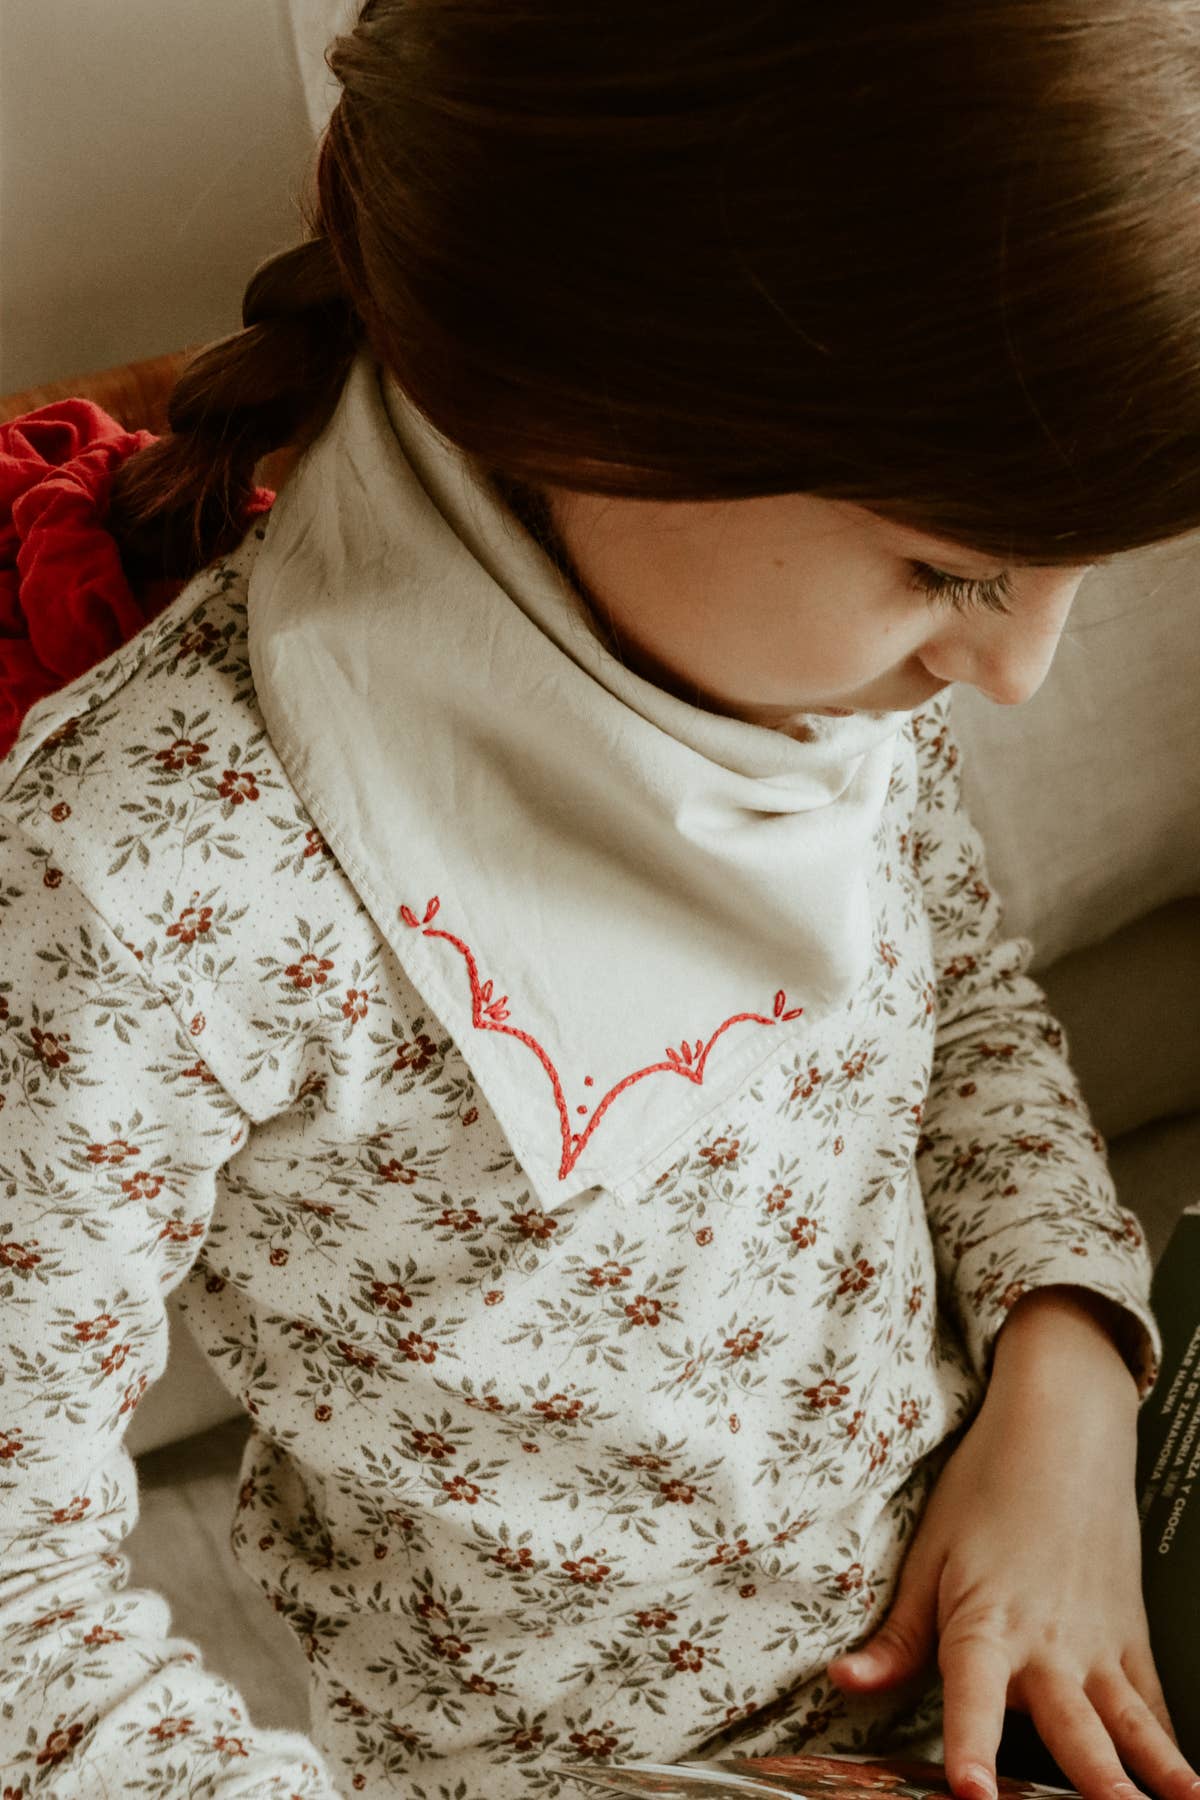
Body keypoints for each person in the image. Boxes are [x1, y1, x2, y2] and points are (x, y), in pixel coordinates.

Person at [1, 2, 1198, 1796]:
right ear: (599, 400)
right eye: (954, 568)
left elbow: (963, 1005)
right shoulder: (154, 869)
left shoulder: (815, 679)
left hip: (1049, 1581)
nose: (1019, 673)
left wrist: (1070, 1366)